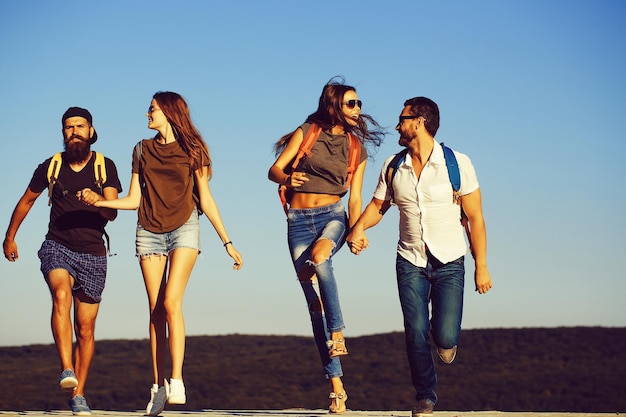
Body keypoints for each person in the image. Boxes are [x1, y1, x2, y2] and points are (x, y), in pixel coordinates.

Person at [79, 91, 243, 416]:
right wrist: (100, 201)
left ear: (168, 112)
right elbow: (133, 199)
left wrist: (227, 242)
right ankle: (157, 386)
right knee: (155, 311)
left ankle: (178, 378)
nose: (147, 114)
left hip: (184, 227)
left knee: (171, 303)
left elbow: (206, 199)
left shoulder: (193, 150)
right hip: (148, 232)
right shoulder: (141, 149)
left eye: (151, 109)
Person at [346, 96, 492, 417]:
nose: (398, 125)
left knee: (444, 336)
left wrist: (481, 266)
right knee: (414, 330)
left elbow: (476, 218)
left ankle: (445, 340)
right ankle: (425, 395)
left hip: (451, 262)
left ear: (420, 122)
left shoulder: (457, 164)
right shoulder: (393, 166)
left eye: (403, 119)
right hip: (410, 260)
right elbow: (377, 208)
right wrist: (358, 229)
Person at [268, 77, 384, 414]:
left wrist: (357, 230)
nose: (358, 109)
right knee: (313, 303)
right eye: (352, 103)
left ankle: (339, 332)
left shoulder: (356, 148)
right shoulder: (308, 132)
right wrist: (287, 178)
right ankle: (336, 386)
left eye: (359, 103)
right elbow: (274, 170)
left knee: (321, 258)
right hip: (298, 221)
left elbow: (357, 197)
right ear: (334, 105)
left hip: (333, 215)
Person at [3, 107, 122, 415]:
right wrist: (10, 236)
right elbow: (27, 200)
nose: (74, 132)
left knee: (85, 328)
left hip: (94, 252)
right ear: (63, 132)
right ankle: (66, 368)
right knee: (60, 294)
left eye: (80, 126)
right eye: (68, 127)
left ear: (91, 131)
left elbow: (112, 211)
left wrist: (98, 201)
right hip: (57, 245)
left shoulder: (104, 166)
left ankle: (78, 394)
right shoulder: (51, 166)